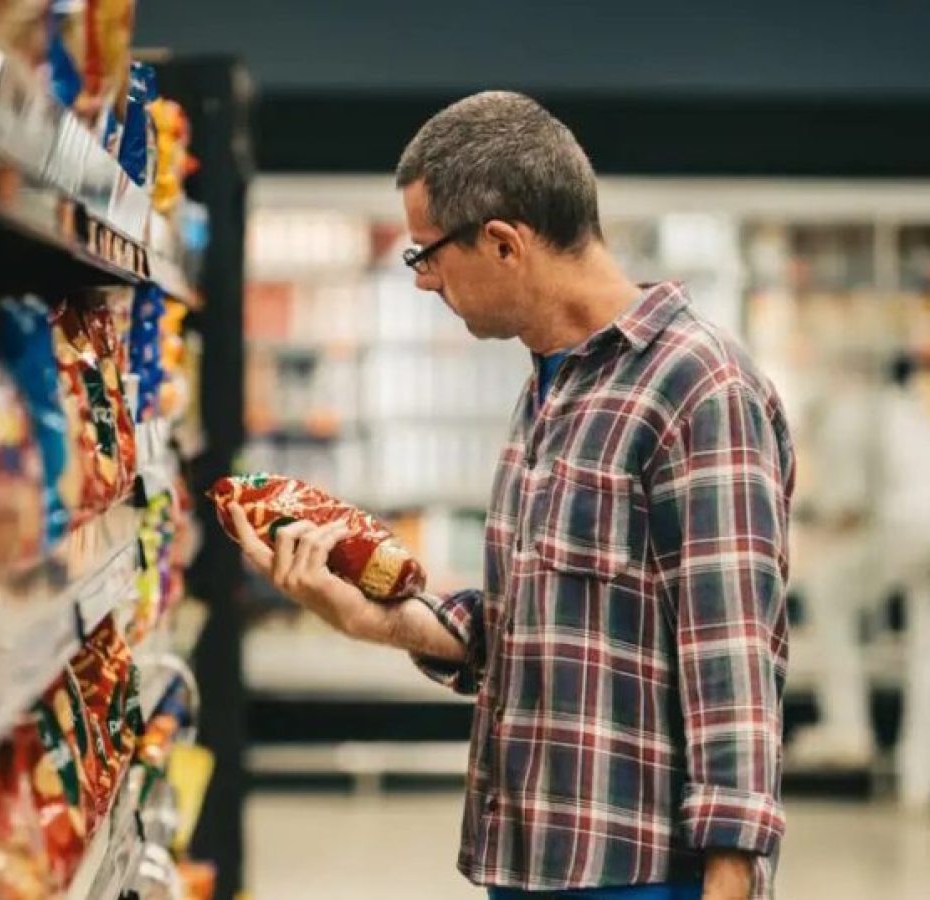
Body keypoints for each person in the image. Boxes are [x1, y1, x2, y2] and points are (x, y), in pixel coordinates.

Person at [230, 92, 794, 900]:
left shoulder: (698, 387)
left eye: (424, 254)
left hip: (640, 879)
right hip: (534, 863)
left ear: (500, 243)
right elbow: (532, 628)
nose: (423, 281)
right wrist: (368, 615)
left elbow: (732, 659)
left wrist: (731, 880)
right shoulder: (551, 389)